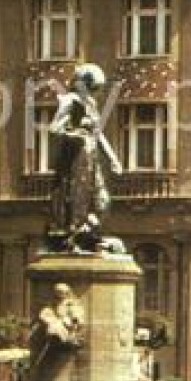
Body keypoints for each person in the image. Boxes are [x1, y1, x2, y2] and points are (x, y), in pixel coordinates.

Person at [46, 63, 123, 254]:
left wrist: (113, 158)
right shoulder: (70, 100)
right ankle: (72, 238)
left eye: (97, 89)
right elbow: (54, 128)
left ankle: (86, 235)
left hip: (90, 159)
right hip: (74, 160)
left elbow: (97, 133)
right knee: (76, 200)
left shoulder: (90, 104)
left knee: (101, 201)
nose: (95, 93)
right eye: (94, 88)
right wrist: (78, 135)